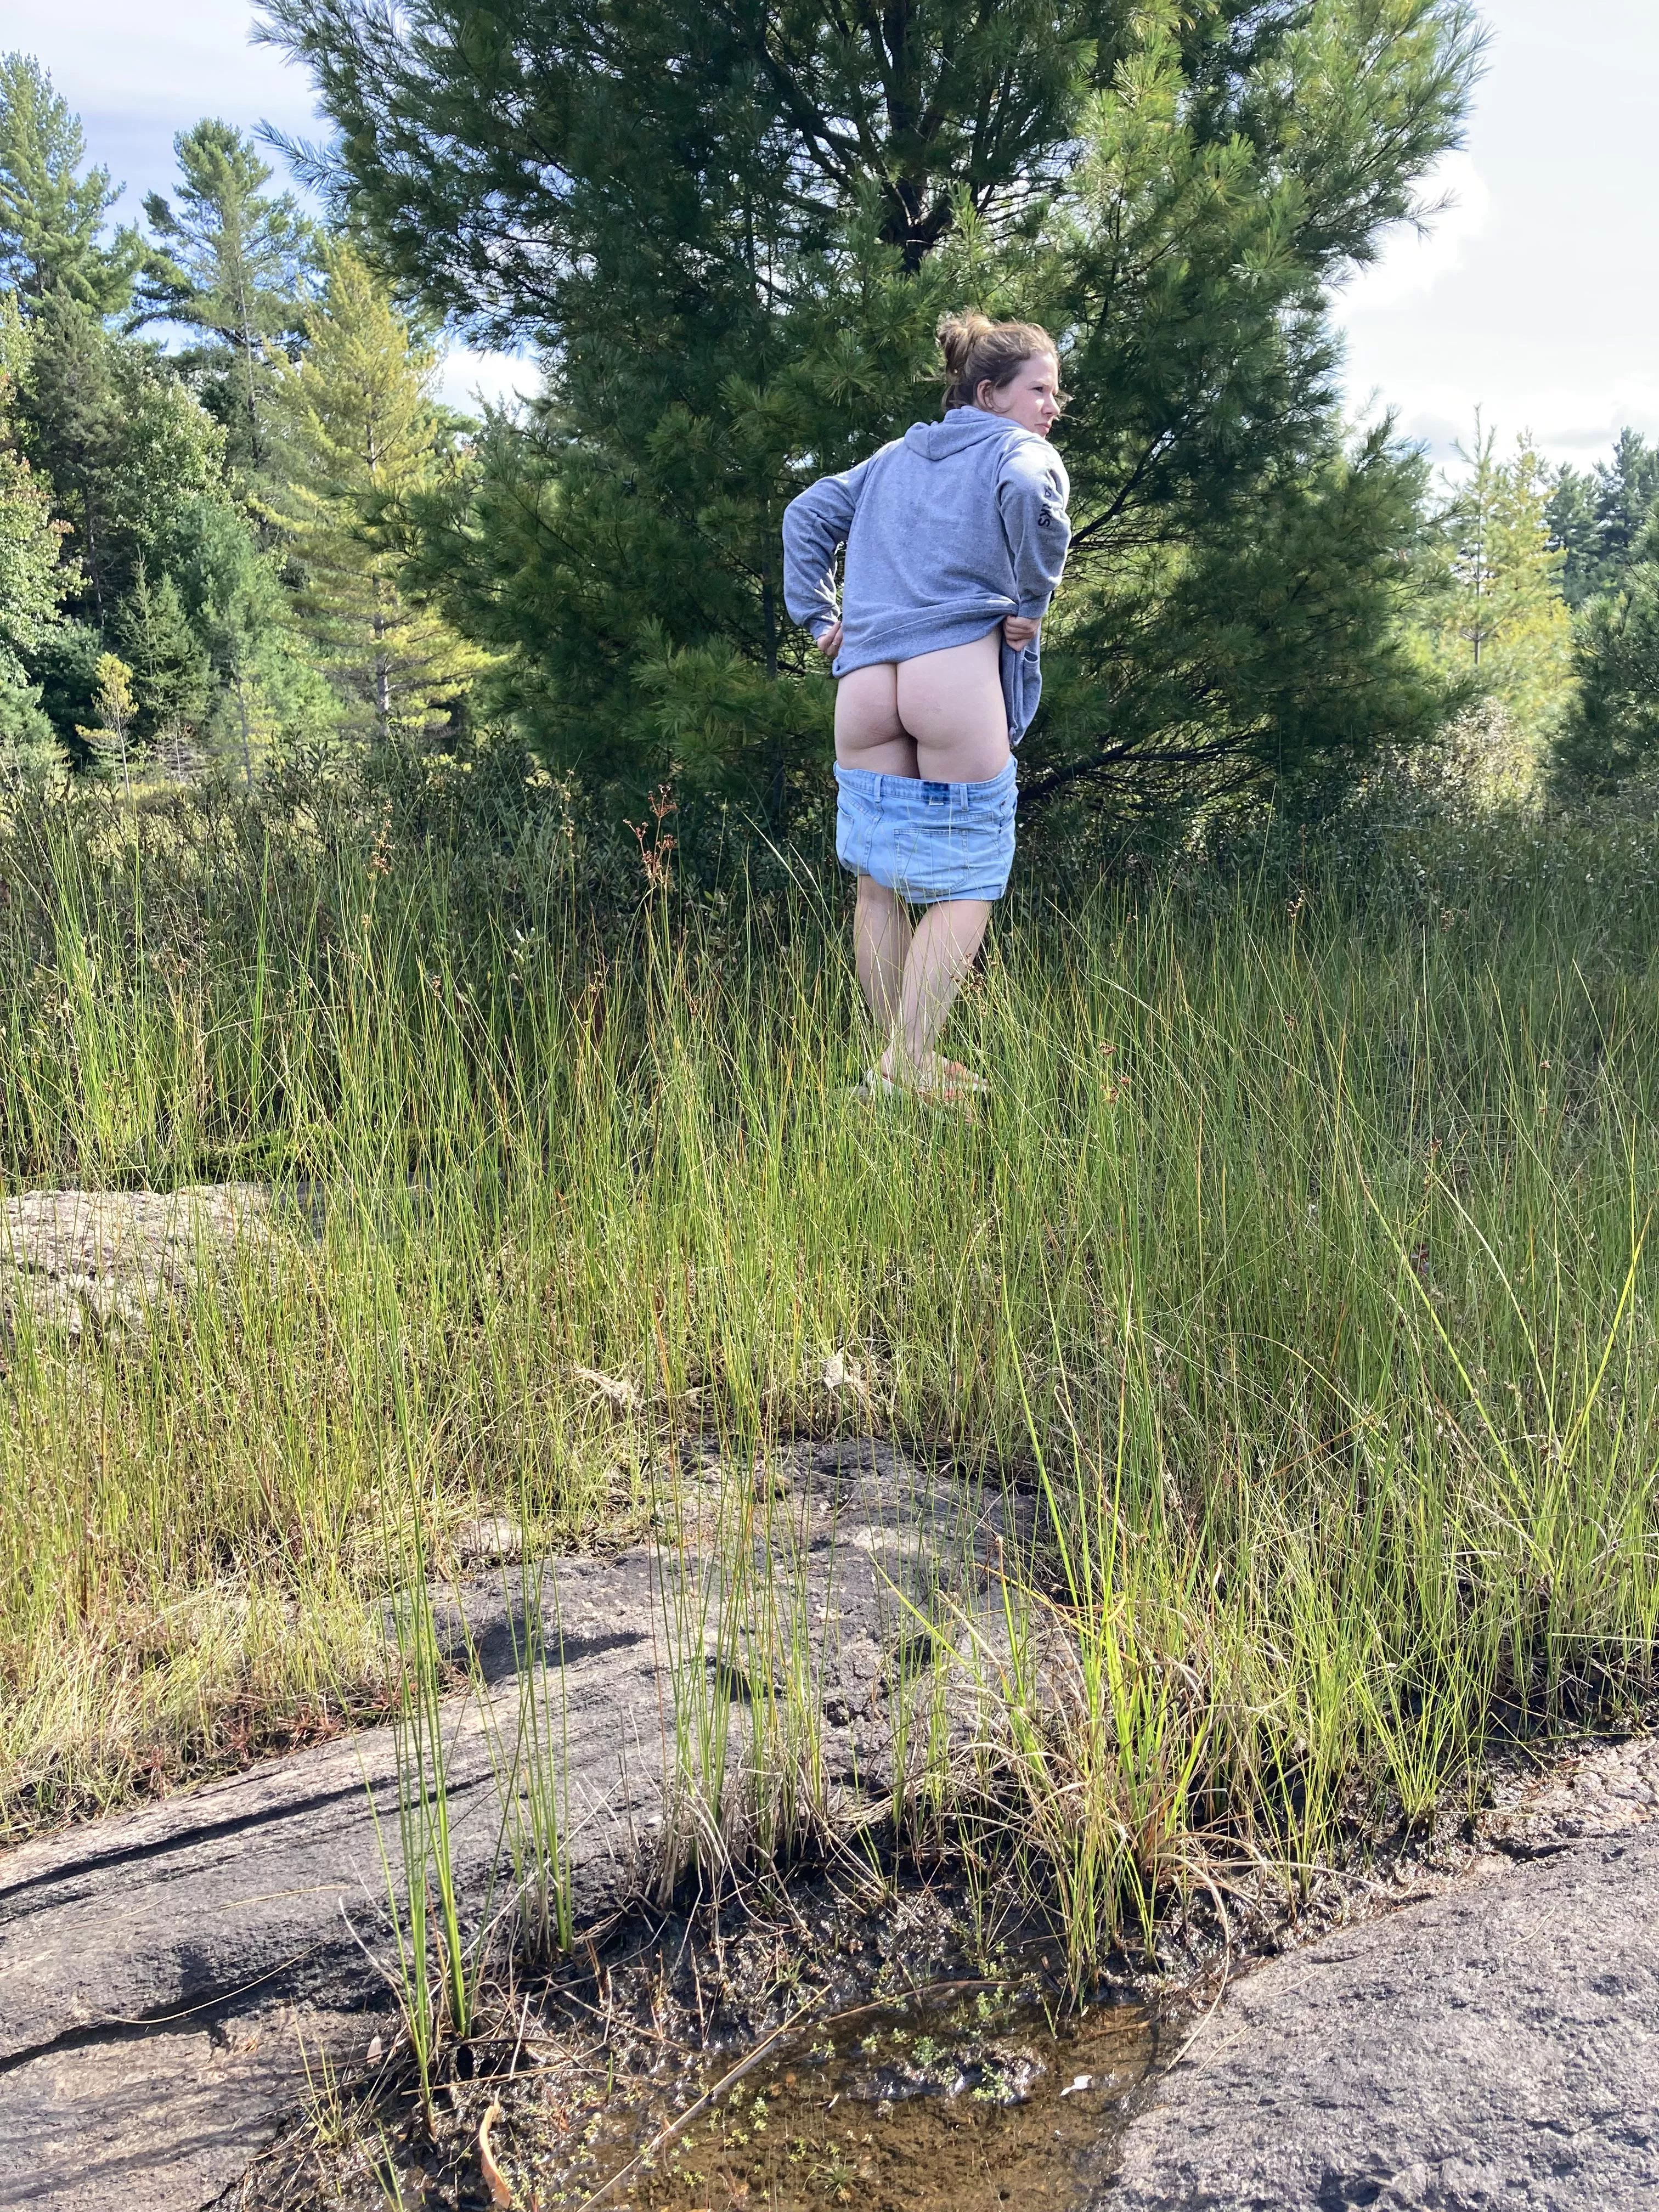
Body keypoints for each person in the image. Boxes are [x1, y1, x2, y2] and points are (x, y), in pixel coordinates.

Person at [782, 312, 1071, 1104]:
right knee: (967, 882)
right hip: (954, 679)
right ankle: (908, 1061)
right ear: (989, 393)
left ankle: (897, 1061)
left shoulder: (891, 458)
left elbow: (806, 513)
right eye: (1040, 388)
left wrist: (819, 617)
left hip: (867, 681)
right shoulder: (1019, 451)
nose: (1055, 404)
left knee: (878, 885)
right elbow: (1030, 495)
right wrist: (1031, 598)